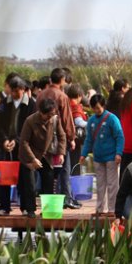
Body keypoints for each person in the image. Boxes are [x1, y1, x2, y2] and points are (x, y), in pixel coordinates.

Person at [0, 74, 35, 216]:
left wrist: (16, 140)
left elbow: (29, 126)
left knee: (26, 177)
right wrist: (5, 140)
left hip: (24, 145)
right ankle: (4, 207)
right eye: (12, 91)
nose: (15, 94)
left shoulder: (31, 104)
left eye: (17, 91)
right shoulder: (5, 102)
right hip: (7, 144)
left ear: (23, 89)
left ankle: (28, 208)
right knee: (5, 176)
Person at [39, 67, 81, 209]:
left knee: (47, 172)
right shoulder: (62, 96)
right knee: (64, 169)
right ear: (62, 80)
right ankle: (66, 198)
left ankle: (48, 202)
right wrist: (71, 138)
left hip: (42, 139)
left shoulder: (41, 94)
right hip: (59, 139)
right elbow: (66, 119)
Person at [18, 97, 66, 217]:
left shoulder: (55, 119)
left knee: (48, 182)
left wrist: (61, 153)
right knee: (30, 184)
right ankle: (30, 209)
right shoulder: (30, 121)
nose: (50, 117)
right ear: (41, 112)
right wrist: (33, 159)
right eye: (48, 115)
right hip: (30, 155)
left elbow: (62, 136)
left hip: (46, 155)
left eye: (52, 114)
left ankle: (47, 209)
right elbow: (24, 142)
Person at [79, 93, 125, 215]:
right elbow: (89, 139)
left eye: (98, 108)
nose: (96, 110)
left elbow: (119, 136)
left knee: (112, 184)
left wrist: (118, 153)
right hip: (98, 157)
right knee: (100, 184)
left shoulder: (112, 119)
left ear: (103, 106)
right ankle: (99, 209)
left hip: (111, 156)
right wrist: (83, 154)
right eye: (94, 108)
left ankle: (112, 209)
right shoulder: (91, 120)